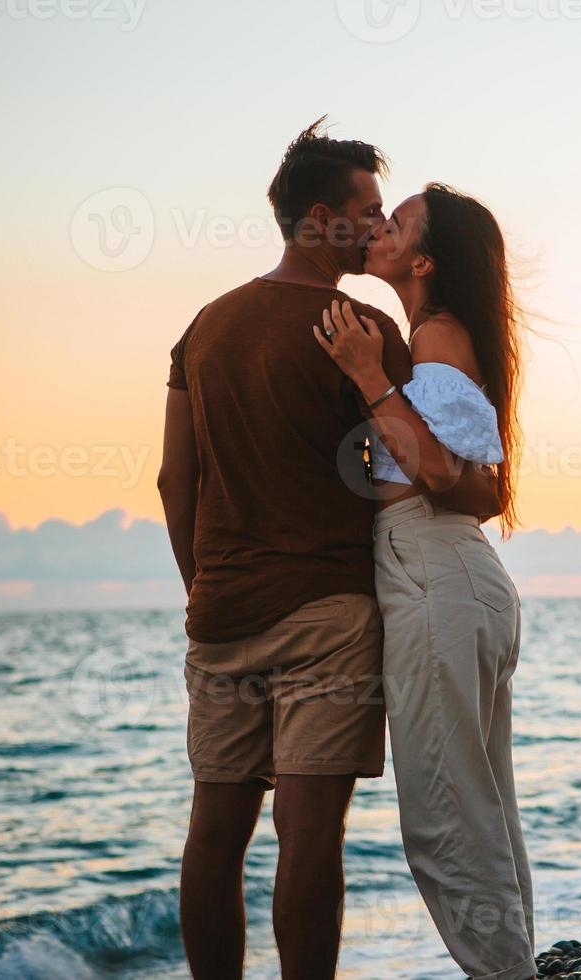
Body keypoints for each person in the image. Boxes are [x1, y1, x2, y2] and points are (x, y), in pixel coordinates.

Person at [156, 120, 501, 980]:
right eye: (368, 210)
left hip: (221, 613)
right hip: (330, 613)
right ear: (321, 218)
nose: (378, 225)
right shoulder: (362, 326)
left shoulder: (203, 328)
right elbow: (432, 472)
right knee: (309, 834)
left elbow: (174, 481)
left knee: (214, 833)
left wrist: (209, 588)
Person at [314, 183, 535, 980]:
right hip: (463, 578)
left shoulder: (433, 340)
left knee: (447, 827)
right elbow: (487, 490)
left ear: (424, 260)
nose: (378, 227)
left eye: (395, 222)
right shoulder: (438, 337)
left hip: (436, 574)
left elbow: (446, 476)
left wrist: (371, 380)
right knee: (485, 816)